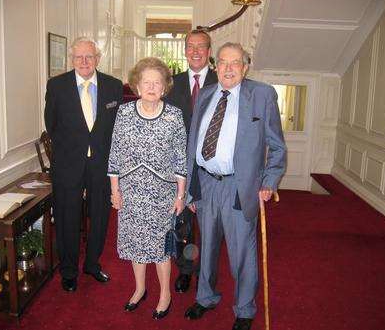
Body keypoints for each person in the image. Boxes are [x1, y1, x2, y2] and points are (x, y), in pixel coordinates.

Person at [183, 42, 286, 330]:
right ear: (215, 65)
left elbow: (277, 147)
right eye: (223, 63)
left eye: (235, 63)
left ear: (245, 66)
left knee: (242, 252)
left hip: (240, 187)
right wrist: (192, 186)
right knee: (207, 247)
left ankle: (244, 309)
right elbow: (194, 142)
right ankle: (206, 297)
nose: (228, 68)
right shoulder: (205, 94)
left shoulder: (262, 95)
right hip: (205, 181)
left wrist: (269, 182)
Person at [108, 57, 187, 320]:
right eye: (146, 82)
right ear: (137, 86)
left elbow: (180, 160)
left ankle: (165, 294)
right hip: (130, 192)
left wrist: (180, 195)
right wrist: (115, 190)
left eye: (157, 82)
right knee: (135, 244)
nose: (152, 87)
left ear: (164, 87)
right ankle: (140, 289)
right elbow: (115, 154)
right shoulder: (124, 113)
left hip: (161, 194)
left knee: (160, 248)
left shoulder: (174, 116)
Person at [44, 37, 123, 292]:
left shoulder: (113, 86)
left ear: (98, 58)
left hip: (102, 164)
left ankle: (92, 263)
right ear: (72, 59)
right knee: (67, 217)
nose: (84, 61)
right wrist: (73, 151)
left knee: (100, 215)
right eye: (79, 57)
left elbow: (117, 128)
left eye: (89, 56)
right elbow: (51, 125)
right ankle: (68, 270)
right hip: (68, 164)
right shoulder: (56, 86)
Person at [164, 29, 218, 294]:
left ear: (209, 52)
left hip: (212, 168)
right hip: (180, 167)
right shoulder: (171, 84)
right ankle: (186, 270)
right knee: (184, 224)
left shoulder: (223, 82)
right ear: (185, 51)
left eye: (201, 47)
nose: (195, 51)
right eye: (190, 46)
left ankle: (207, 274)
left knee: (209, 224)